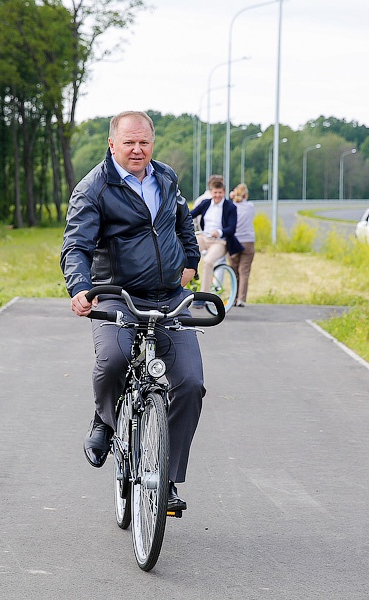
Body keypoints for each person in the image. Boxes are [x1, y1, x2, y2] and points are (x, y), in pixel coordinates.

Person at [60, 111, 203, 512]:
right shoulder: (94, 188)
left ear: (152, 143)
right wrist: (80, 288)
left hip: (169, 296)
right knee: (114, 361)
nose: (137, 149)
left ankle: (167, 481)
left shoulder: (166, 177)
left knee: (190, 384)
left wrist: (190, 258)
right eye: (129, 143)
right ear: (112, 144)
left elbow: (182, 220)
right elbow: (76, 246)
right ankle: (105, 420)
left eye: (144, 142)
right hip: (116, 295)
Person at [189, 177, 244, 300]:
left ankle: (203, 296)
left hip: (220, 242)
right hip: (204, 237)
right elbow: (191, 214)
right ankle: (189, 278)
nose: (217, 195)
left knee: (208, 261)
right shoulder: (206, 203)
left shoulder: (230, 207)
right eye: (215, 192)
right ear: (211, 192)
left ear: (224, 192)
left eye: (220, 193)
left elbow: (231, 228)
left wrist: (219, 232)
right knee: (185, 251)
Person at [228, 183, 255, 307]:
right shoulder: (250, 206)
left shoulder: (231, 206)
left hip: (234, 241)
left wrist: (231, 197)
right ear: (246, 195)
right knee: (244, 272)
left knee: (234, 270)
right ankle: (241, 299)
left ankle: (233, 297)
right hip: (248, 242)